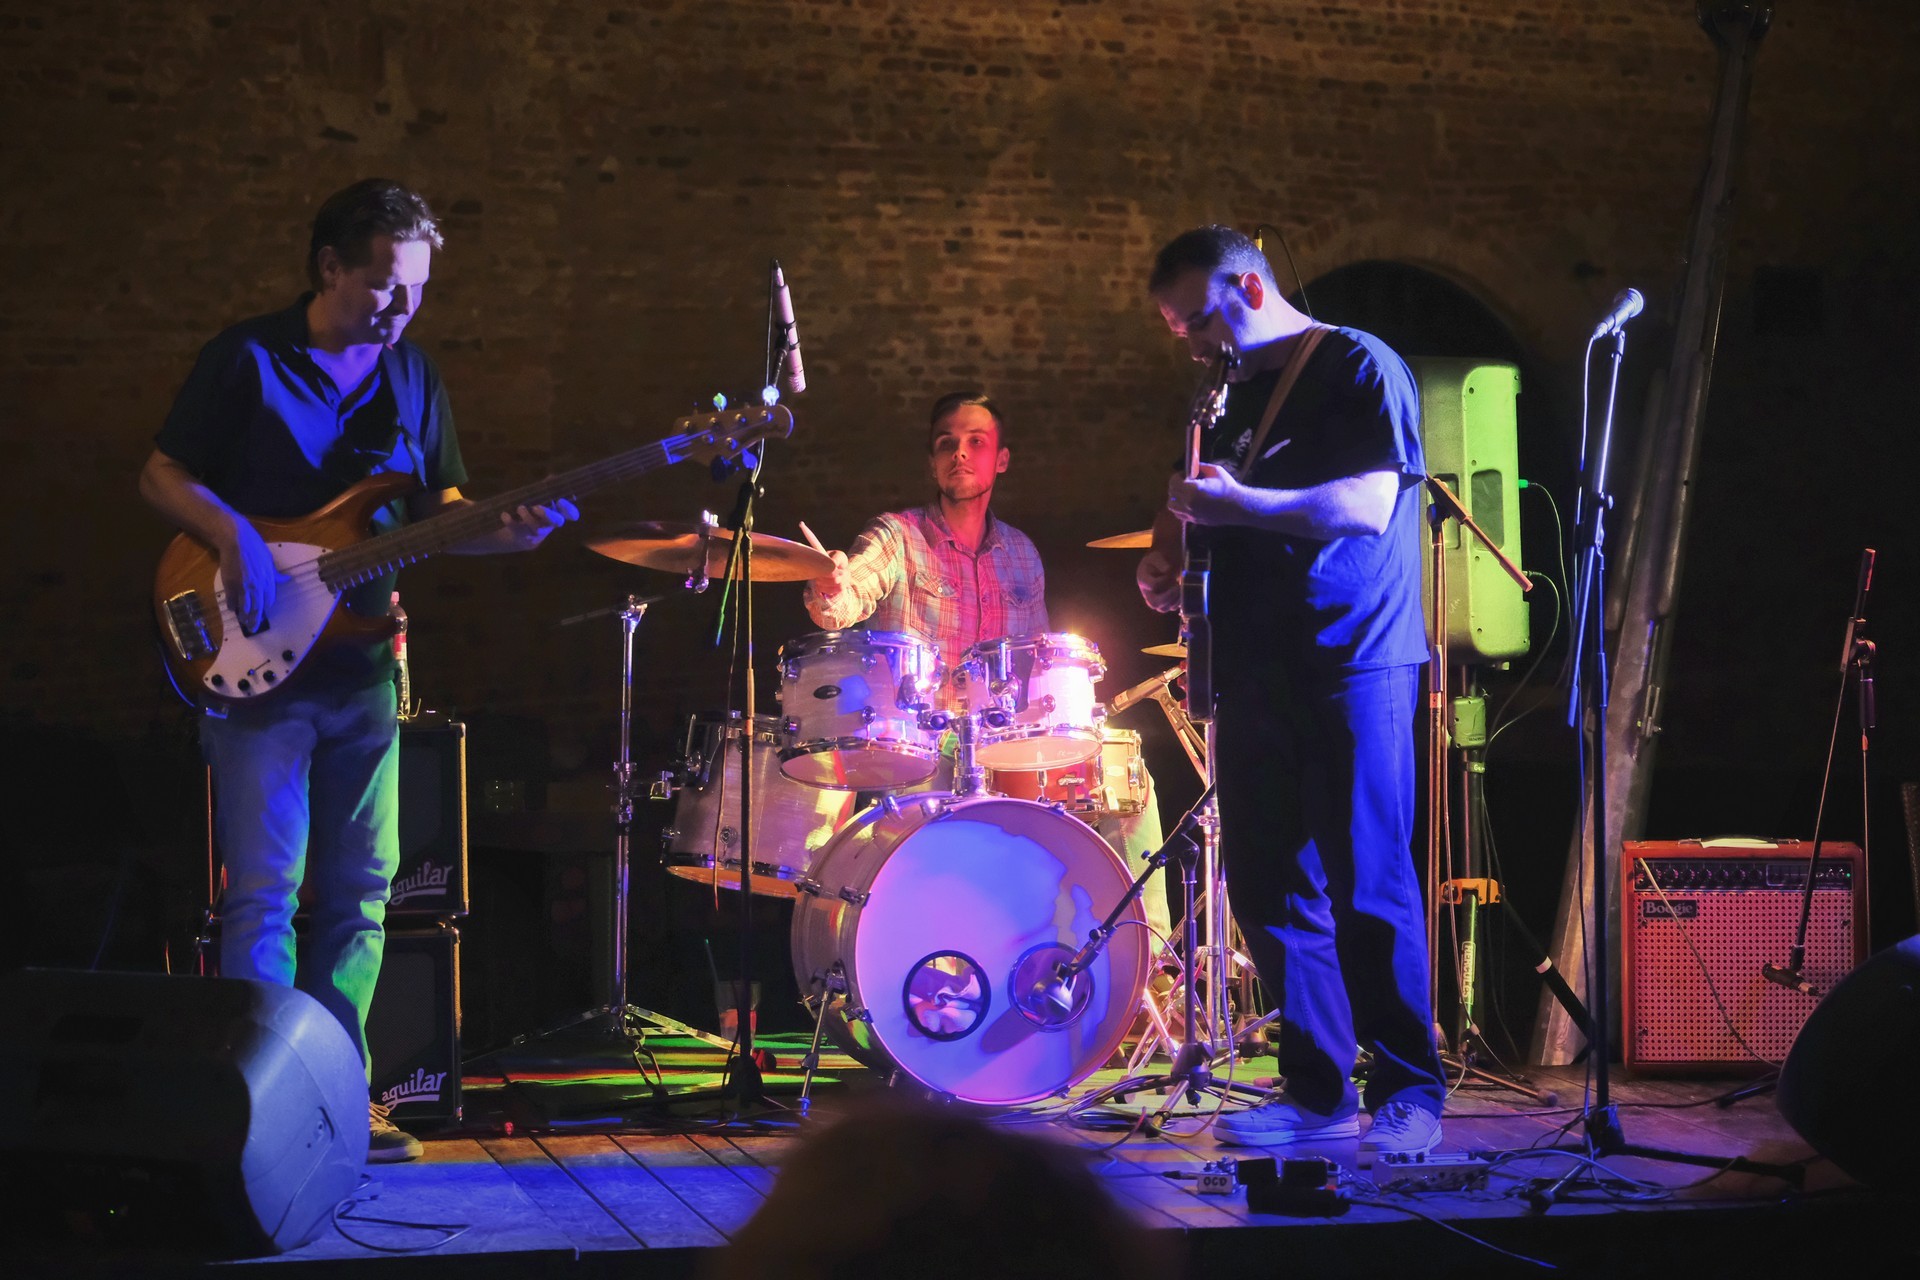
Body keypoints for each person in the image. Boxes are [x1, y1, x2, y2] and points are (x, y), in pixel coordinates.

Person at [139, 179, 578, 1162]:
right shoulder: (248, 358)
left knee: (361, 895)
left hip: (363, 669)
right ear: (329, 266)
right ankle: (259, 1107)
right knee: (264, 893)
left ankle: (339, 1096)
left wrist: (503, 534)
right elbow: (160, 473)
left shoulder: (415, 374)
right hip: (257, 668)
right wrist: (232, 534)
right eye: (384, 285)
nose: (403, 306)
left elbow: (440, 514)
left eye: (417, 288)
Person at [1136, 225, 1445, 1154]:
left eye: (1199, 318)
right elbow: (1193, 493)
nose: (1193, 342)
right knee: (1270, 884)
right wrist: (1167, 555)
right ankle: (1316, 1092)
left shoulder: (1357, 364)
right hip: (1251, 664)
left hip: (1352, 658)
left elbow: (1368, 505)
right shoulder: (1224, 387)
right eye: (1178, 328)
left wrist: (1242, 505)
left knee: (1368, 881)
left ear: (1250, 287)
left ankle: (1410, 1093)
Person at [803, 393, 1169, 937]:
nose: (959, 453)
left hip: (1006, 748)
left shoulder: (1022, 553)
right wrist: (831, 582)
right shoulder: (896, 536)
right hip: (924, 747)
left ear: (1001, 459)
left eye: (976, 442)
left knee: (1127, 782)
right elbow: (842, 602)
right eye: (945, 443)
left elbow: (1035, 666)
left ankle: (1147, 960)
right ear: (932, 462)